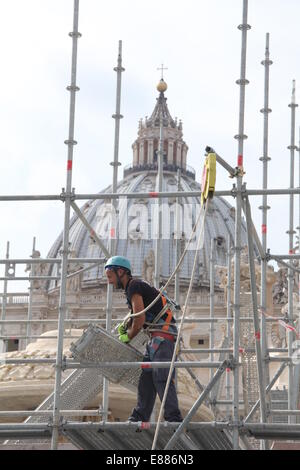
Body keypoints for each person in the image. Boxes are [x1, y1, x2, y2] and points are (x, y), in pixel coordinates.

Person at [105, 255, 182, 423]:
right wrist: (127, 327)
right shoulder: (134, 288)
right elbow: (137, 316)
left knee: (162, 376)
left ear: (120, 272)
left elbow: (139, 320)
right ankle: (139, 417)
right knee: (146, 380)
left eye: (110, 277)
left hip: (162, 338)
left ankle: (174, 418)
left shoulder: (134, 286)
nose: (109, 282)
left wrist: (128, 337)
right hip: (156, 339)